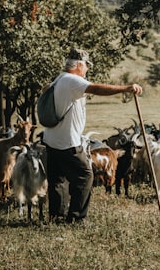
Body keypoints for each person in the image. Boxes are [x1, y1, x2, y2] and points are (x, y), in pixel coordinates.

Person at [41, 47, 143, 224]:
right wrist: (125, 88)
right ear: (79, 65)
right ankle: (76, 218)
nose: (87, 69)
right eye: (87, 66)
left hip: (51, 139)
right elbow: (96, 88)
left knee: (58, 179)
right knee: (85, 175)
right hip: (68, 142)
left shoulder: (59, 79)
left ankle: (56, 217)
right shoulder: (72, 80)